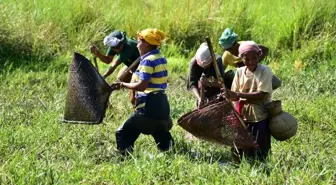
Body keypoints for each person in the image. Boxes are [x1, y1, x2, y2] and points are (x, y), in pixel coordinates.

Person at [110, 28, 173, 154]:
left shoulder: (148, 60)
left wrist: (122, 85)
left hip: (149, 107)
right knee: (161, 135)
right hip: (162, 107)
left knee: (123, 132)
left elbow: (142, 86)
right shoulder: (160, 57)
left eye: (139, 42)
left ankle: (124, 160)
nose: (137, 45)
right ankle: (170, 154)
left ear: (147, 44)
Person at [224, 41, 273, 162]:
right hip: (242, 115)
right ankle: (241, 167)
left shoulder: (264, 71)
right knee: (240, 147)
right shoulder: (240, 72)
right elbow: (234, 95)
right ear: (241, 58)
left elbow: (262, 94)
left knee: (260, 147)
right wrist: (228, 95)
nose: (251, 62)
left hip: (259, 115)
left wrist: (238, 94)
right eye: (247, 59)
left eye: (254, 58)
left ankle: (263, 169)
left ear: (259, 56)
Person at [187, 43, 226, 108]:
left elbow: (222, 83)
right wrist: (199, 98)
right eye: (203, 66)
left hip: (216, 91)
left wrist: (208, 83)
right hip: (201, 92)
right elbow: (192, 84)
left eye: (207, 66)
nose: (205, 68)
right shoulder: (193, 63)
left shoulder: (217, 61)